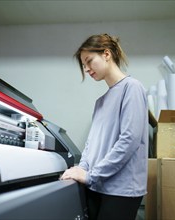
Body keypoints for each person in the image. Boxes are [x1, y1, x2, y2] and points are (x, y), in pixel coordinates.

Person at [60, 33, 148, 220]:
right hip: (96, 184)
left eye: (89, 61)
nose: (87, 70)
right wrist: (80, 170)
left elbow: (129, 140)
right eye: (84, 66)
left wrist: (91, 175)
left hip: (121, 190)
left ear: (106, 54)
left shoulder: (132, 88)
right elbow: (92, 143)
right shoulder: (100, 102)